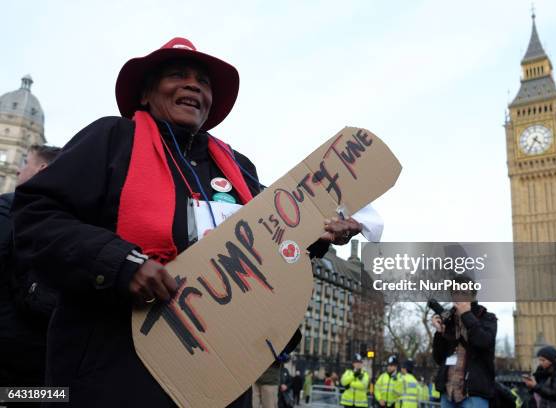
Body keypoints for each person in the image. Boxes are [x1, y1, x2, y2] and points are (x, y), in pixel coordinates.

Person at [11, 37, 363, 408]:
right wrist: (120, 264)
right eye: (177, 74)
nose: (194, 85)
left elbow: (270, 249)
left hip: (219, 379)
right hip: (114, 374)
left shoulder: (240, 169)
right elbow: (36, 215)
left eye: (204, 81)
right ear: (146, 92)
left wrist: (317, 234)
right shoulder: (112, 140)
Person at [0, 144, 60, 393]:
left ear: (42, 169)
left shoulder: (8, 207)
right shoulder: (75, 217)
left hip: (7, 347)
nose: (17, 171)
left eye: (25, 162)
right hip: (48, 355)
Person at [432, 274, 497, 408]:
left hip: (473, 394)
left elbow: (484, 342)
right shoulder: (448, 320)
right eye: (455, 292)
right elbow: (439, 358)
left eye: (464, 292)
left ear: (473, 296)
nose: (459, 296)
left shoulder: (487, 318)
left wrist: (466, 315)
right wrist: (440, 332)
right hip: (448, 392)